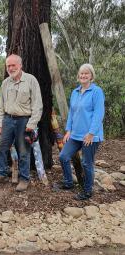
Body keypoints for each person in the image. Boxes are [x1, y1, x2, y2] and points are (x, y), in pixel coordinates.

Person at [0, 54, 43, 192]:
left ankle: (24, 179)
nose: (11, 68)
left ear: (20, 65)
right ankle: (1, 173)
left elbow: (38, 104)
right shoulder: (6, 83)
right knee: (0, 147)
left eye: (13, 65)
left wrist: (32, 123)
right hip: (7, 120)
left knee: (23, 151)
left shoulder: (31, 80)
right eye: (8, 66)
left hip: (24, 121)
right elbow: (1, 104)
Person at [58, 63, 104, 200]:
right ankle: (68, 182)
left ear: (91, 76)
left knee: (86, 163)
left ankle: (88, 190)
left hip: (90, 136)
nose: (83, 75)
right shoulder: (75, 92)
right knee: (63, 156)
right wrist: (68, 131)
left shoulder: (96, 92)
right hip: (75, 134)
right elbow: (72, 113)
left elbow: (99, 114)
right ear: (78, 76)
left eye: (86, 73)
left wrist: (91, 134)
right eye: (81, 73)